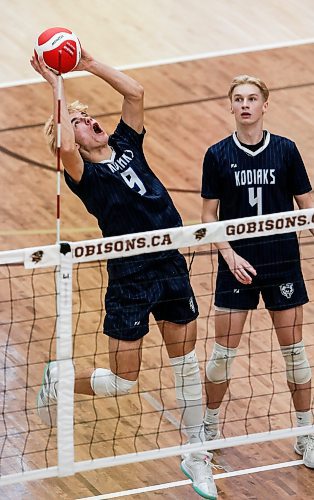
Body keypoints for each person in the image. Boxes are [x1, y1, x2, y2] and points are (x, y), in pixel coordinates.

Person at [30, 48, 217, 499]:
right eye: (78, 120)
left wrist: (88, 63)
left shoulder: (127, 143)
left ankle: (196, 453)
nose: (89, 120)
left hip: (170, 262)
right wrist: (56, 86)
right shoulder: (83, 175)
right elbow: (68, 147)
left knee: (186, 364)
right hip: (131, 276)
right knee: (122, 382)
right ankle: (60, 378)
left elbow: (135, 92)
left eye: (89, 116)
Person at [201, 74, 314, 468]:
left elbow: (307, 207)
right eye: (238, 99)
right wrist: (229, 255)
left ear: (265, 105)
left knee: (295, 354)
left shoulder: (286, 150)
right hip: (237, 267)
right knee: (221, 356)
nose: (245, 104)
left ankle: (305, 433)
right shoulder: (216, 155)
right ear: (230, 106)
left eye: (252, 98)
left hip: (281, 263)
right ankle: (210, 428)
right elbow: (208, 218)